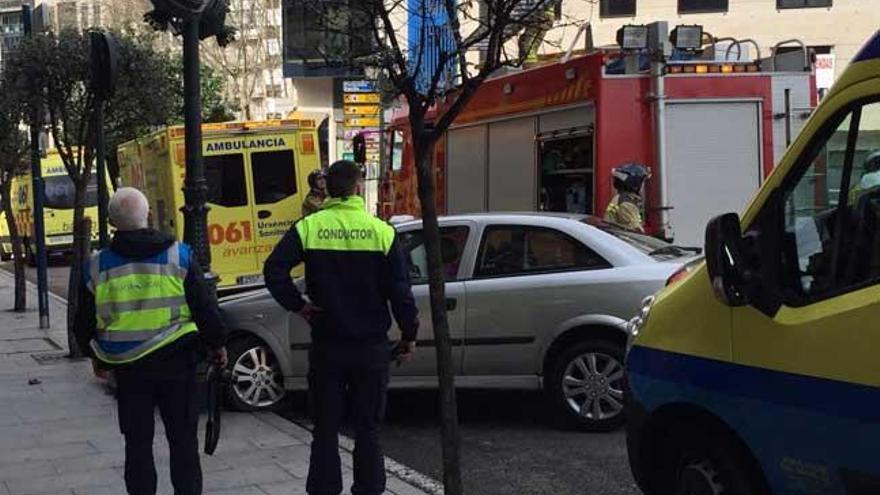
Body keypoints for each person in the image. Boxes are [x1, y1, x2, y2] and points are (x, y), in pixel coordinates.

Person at [263, 160, 419, 495]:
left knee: (325, 427)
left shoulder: (310, 227)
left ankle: (324, 488)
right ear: (358, 188)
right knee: (369, 428)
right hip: (371, 348)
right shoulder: (382, 232)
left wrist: (300, 305)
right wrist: (409, 335)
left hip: (328, 345)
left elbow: (274, 271)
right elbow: (401, 294)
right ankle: (368, 488)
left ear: (327, 189)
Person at [74, 187, 227, 495]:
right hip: (179, 364)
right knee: (183, 443)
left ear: (112, 222)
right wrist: (218, 344)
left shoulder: (96, 266)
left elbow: (83, 324)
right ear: (148, 216)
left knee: (138, 445)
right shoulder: (179, 255)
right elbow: (204, 308)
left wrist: (98, 359)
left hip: (129, 371)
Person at [604, 163, 651, 232]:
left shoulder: (621, 198)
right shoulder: (626, 204)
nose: (644, 187)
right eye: (642, 183)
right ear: (635, 184)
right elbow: (636, 231)